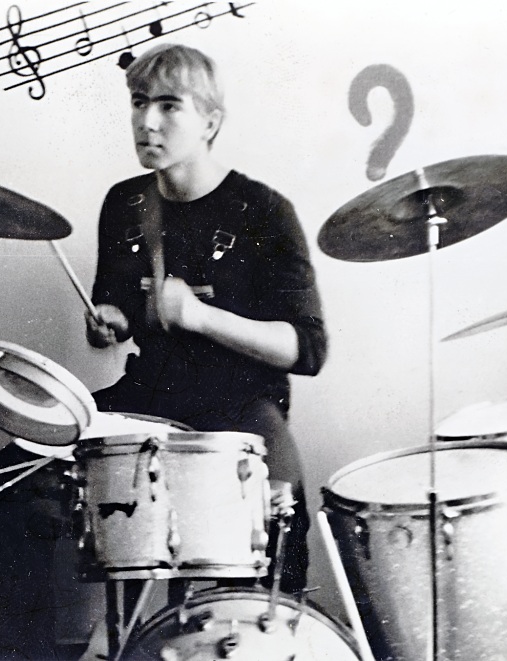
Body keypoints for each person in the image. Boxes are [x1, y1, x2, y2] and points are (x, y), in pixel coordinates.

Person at [85, 43, 327, 594]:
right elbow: (115, 308)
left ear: (210, 122)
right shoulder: (123, 204)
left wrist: (201, 316)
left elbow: (307, 349)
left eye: (169, 105)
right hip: (148, 395)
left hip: (239, 404)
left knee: (279, 527)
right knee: (24, 468)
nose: (147, 121)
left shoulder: (264, 210)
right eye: (139, 102)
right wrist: (110, 323)